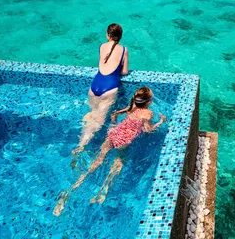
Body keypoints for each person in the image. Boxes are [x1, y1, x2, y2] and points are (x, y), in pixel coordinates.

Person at [54, 87, 166, 216]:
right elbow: (148, 130)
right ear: (149, 102)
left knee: (96, 163)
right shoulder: (148, 113)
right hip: (124, 142)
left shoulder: (131, 107)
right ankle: (102, 192)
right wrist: (161, 122)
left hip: (113, 135)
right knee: (116, 166)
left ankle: (71, 189)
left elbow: (114, 115)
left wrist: (113, 126)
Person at [71, 23, 129, 166]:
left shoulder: (102, 46)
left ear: (107, 35)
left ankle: (80, 144)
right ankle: (82, 147)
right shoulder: (124, 50)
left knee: (92, 115)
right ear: (120, 36)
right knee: (98, 122)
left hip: (95, 85)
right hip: (109, 88)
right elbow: (124, 72)